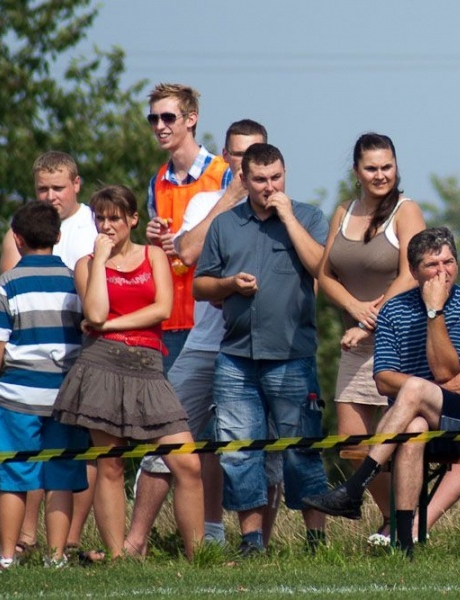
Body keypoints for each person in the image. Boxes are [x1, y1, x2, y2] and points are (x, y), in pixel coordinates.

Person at [126, 119, 279, 553]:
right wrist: (229, 199)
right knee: (166, 436)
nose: (246, 162)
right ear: (226, 158)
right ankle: (134, 544)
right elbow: (188, 251)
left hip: (261, 348)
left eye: (255, 152)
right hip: (204, 342)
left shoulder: (282, 209)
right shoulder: (206, 202)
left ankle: (258, 547)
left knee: (265, 450)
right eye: (238, 154)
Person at [304, 227, 460, 556]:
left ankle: (354, 488)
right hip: (412, 417)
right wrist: (435, 388)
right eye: (432, 265)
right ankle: (404, 543)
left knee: (415, 390)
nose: (443, 271)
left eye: (449, 262)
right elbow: (383, 380)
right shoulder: (394, 310)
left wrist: (434, 312)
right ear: (414, 272)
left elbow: (446, 370)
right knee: (414, 428)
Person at [52, 185, 204, 560]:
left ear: (133, 219)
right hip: (101, 365)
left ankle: (199, 555)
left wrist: (108, 326)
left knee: (187, 461)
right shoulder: (87, 264)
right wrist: (101, 260)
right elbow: (95, 312)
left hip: (148, 366)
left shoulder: (154, 255)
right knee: (110, 464)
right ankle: (117, 557)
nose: (107, 226)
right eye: (100, 218)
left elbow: (162, 309)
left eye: (115, 218)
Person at [194, 143, 328, 556]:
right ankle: (251, 542)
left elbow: (322, 267)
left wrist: (287, 217)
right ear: (244, 180)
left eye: (276, 178)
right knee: (239, 454)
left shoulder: (309, 217)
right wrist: (229, 284)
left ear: (285, 175)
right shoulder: (225, 224)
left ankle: (316, 543)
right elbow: (200, 285)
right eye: (260, 179)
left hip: (292, 356)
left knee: (301, 450)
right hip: (236, 357)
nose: (270, 187)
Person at [316, 133, 425, 543]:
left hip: (399, 339)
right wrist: (354, 308)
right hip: (355, 343)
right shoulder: (343, 211)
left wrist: (369, 320)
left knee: (399, 438)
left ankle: (406, 522)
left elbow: (412, 274)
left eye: (387, 167)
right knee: (352, 441)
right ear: (356, 171)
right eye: (371, 168)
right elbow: (325, 274)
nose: (381, 175)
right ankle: (392, 518)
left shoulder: (406, 210)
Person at [0, 151, 98, 559]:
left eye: (58, 188)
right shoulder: (22, 227)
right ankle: (25, 538)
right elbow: (10, 280)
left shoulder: (93, 224)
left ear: (76, 184)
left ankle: (68, 541)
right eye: (42, 188)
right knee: (29, 458)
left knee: (75, 458)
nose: (50, 196)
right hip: (31, 358)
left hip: (83, 349)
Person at [0, 202, 88, 570]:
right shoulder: (75, 280)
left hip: (17, 396)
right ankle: (56, 556)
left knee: (14, 476)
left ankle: (7, 556)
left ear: (17, 239)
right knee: (60, 475)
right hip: (66, 396)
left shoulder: (7, 283)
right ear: (58, 236)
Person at [143, 83, 231, 373]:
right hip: (169, 321)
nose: (160, 126)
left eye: (168, 118)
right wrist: (154, 241)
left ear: (191, 119)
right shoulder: (156, 182)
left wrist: (187, 245)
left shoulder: (224, 174)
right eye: (153, 118)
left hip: (214, 323)